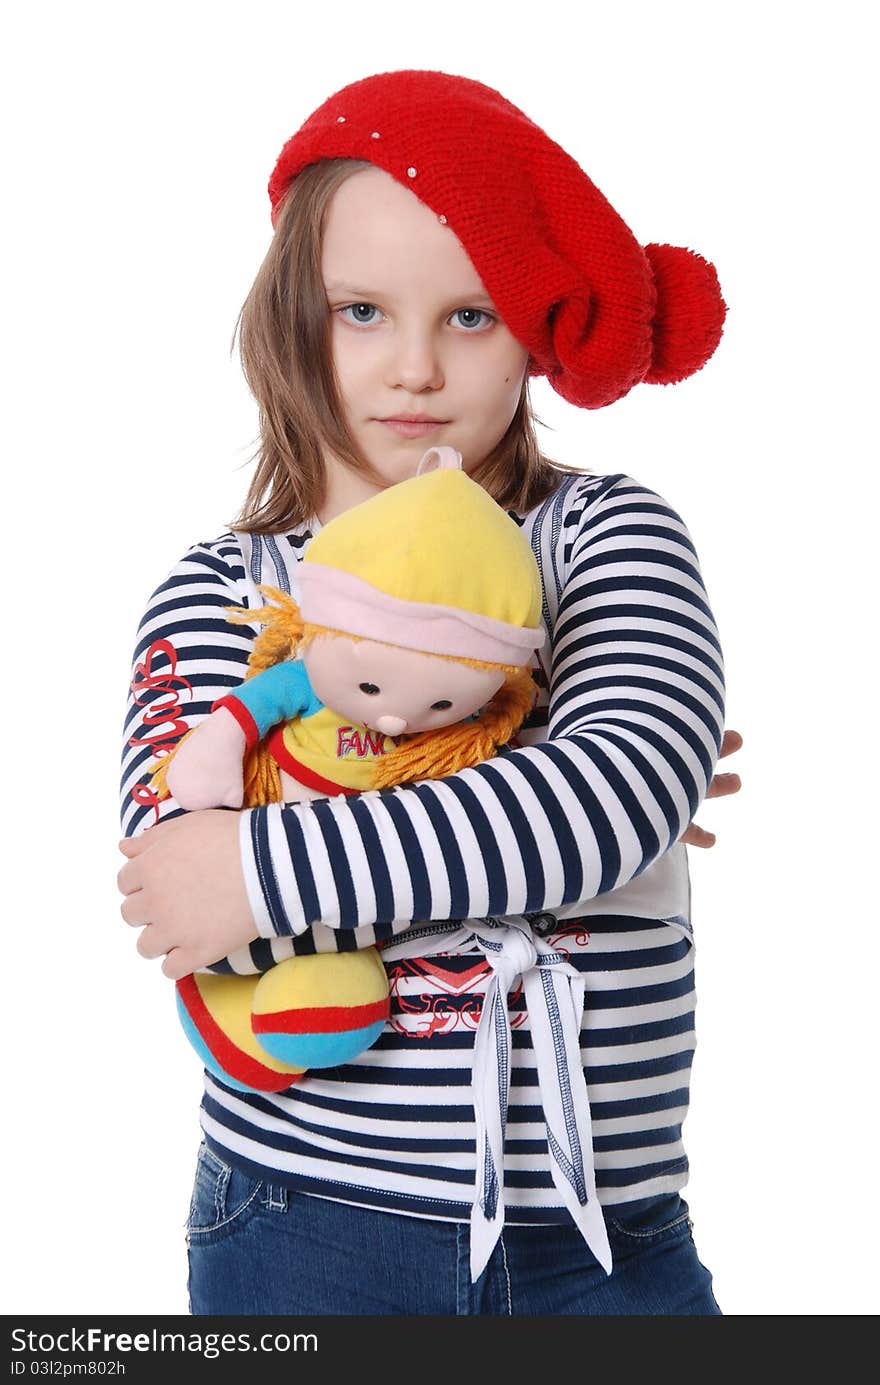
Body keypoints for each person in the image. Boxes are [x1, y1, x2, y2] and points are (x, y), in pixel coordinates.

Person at [117, 69, 743, 1316]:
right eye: (362, 310)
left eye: (469, 316)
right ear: (294, 318)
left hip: (602, 1237)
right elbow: (180, 890)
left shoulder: (605, 532)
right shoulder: (226, 587)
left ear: (532, 329)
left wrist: (276, 859)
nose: (413, 368)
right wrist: (544, 809)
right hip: (299, 1219)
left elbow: (615, 791)